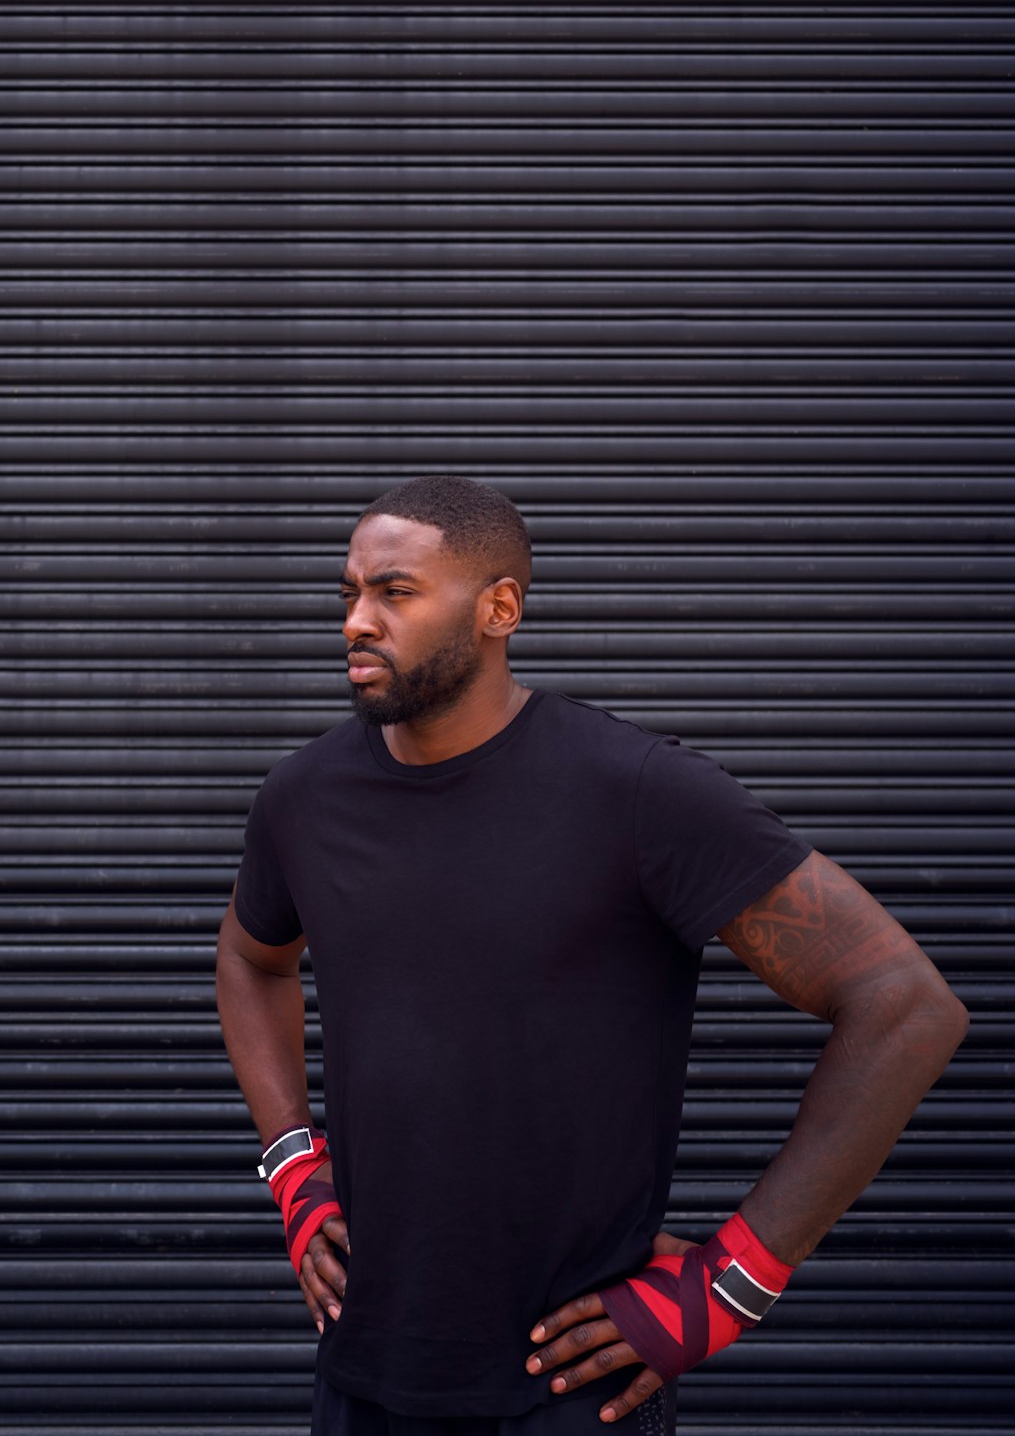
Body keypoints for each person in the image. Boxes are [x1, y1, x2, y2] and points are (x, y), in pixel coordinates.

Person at [215, 475, 968, 1434]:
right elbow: (251, 961)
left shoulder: (639, 794)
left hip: (570, 1389)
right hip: (362, 1368)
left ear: (499, 609)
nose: (357, 622)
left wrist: (732, 1282)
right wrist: (291, 1164)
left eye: (394, 593)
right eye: (348, 594)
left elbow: (904, 1005)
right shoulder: (303, 798)